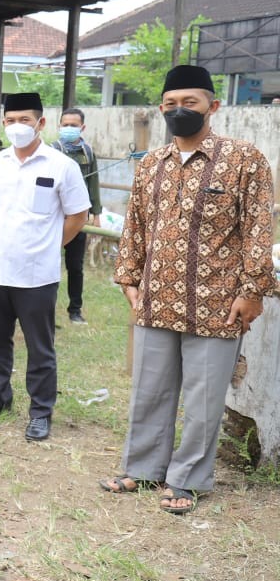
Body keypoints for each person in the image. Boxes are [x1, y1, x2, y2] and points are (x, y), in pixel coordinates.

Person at [102, 65, 275, 515]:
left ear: (213, 107)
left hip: (218, 302)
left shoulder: (244, 160)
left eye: (190, 103)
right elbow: (136, 227)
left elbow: (258, 229)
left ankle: (188, 479)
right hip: (156, 297)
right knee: (150, 389)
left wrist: (253, 290)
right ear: (162, 108)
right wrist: (128, 278)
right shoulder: (150, 166)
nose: (179, 111)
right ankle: (142, 468)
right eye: (171, 104)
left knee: (203, 398)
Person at [0, 92, 89, 442]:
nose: (18, 127)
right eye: (11, 121)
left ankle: (41, 412)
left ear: (41, 123)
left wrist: (48, 246)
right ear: (3, 124)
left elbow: (78, 216)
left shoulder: (62, 166)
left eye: (25, 120)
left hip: (36, 276)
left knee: (40, 347)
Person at [51, 108, 102, 324]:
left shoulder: (88, 152)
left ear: (82, 127)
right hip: (54, 217)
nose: (69, 128)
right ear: (59, 125)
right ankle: (46, 311)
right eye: (65, 124)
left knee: (75, 266)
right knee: (49, 265)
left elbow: (93, 183)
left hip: (78, 217)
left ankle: (75, 310)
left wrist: (96, 213)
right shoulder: (52, 150)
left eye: (74, 125)